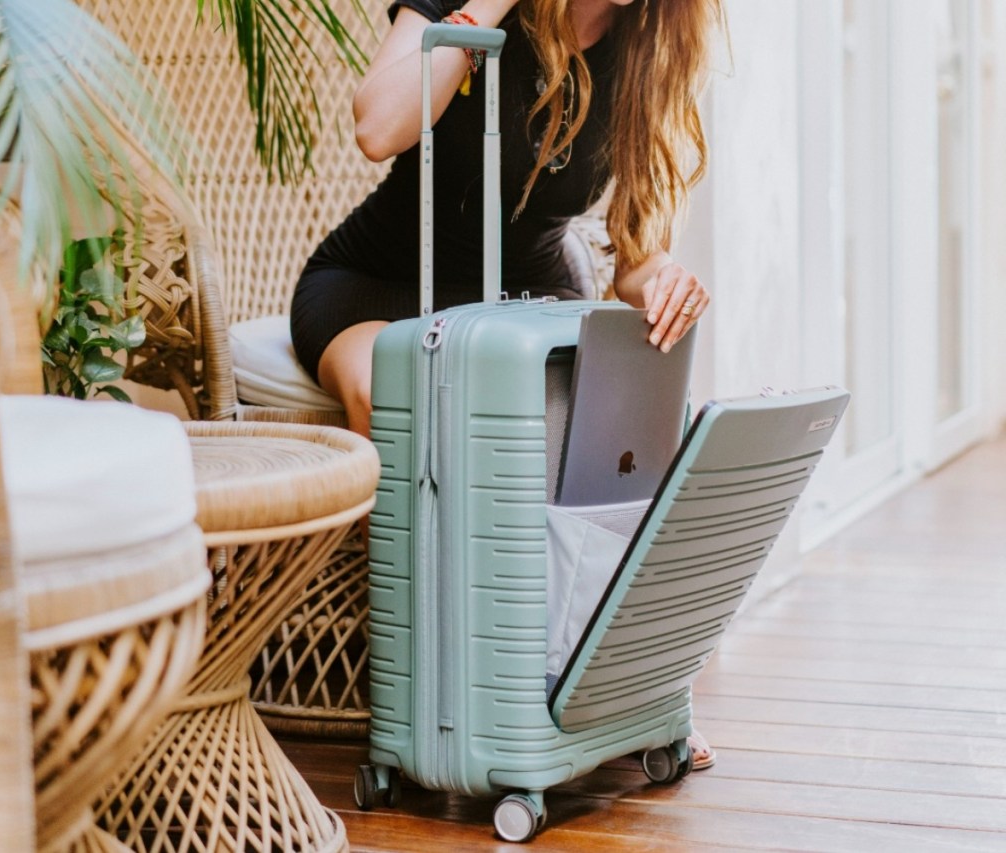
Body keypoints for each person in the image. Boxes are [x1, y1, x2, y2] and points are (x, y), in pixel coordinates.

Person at [291, 0, 722, 771]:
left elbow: (634, 260)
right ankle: (431, 691)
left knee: (614, 406)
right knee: (385, 390)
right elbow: (375, 127)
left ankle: (613, 693)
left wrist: (666, 281)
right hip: (382, 283)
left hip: (523, 300)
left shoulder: (650, 42)